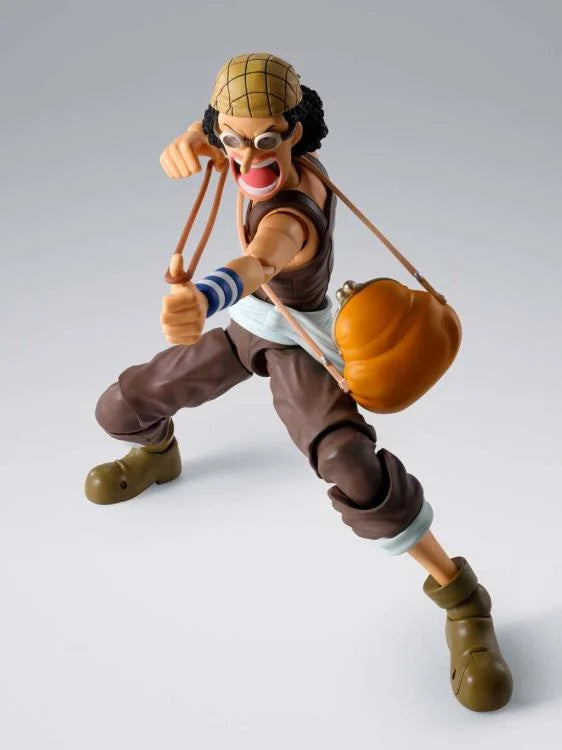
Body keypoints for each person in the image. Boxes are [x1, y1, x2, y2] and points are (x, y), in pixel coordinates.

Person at [85, 53, 512, 712]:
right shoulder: (245, 150)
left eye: (266, 139)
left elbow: (263, 259)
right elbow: (219, 140)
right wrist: (193, 140)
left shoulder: (295, 205)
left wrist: (206, 296)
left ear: (296, 131)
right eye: (233, 139)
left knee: (351, 466)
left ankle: (463, 599)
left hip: (296, 344)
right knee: (121, 406)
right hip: (244, 333)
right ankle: (158, 454)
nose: (249, 156)